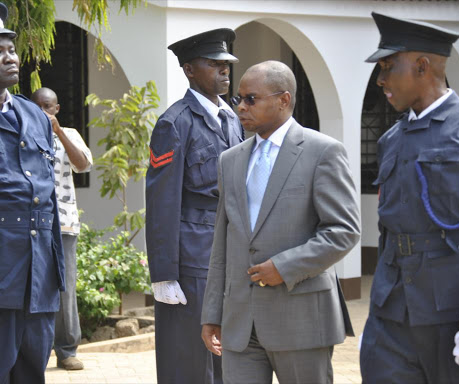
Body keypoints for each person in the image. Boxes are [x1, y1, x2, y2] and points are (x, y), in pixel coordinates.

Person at [201, 60, 360, 384]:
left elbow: (343, 230)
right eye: (238, 99)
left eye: (251, 99)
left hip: (301, 320)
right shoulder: (229, 161)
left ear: (283, 100)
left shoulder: (323, 152)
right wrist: (212, 312)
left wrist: (285, 267)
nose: (241, 107)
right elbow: (223, 241)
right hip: (240, 325)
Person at [360, 12, 459, 383]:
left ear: (423, 66)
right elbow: (387, 227)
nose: (380, 80)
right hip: (391, 309)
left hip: (450, 309)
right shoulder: (391, 139)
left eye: (388, 67)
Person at [0, 2, 65, 383]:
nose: (9, 58)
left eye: (11, 49)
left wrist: (56, 272)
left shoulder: (34, 114)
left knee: (31, 374)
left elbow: (46, 195)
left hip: (38, 276)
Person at [145, 28, 243, 384]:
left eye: (226, 64)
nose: (224, 71)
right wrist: (164, 273)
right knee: (187, 355)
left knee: (226, 352)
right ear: (189, 70)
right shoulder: (175, 123)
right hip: (192, 253)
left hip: (230, 250)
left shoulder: (232, 119)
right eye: (213, 64)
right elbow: (161, 200)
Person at [31, 87, 93, 371]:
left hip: (64, 223)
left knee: (65, 288)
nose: (44, 112)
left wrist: (58, 133)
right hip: (30, 225)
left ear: (56, 109)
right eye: (39, 107)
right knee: (31, 287)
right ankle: (34, 352)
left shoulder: (70, 133)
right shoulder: (22, 132)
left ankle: (67, 350)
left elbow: (82, 165)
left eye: (49, 107)